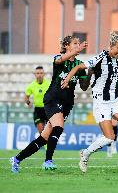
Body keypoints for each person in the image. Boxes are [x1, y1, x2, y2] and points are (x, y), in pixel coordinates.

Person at [61, 32, 118, 173]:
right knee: (109, 138)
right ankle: (85, 154)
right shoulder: (100, 57)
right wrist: (67, 79)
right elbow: (78, 67)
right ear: (111, 46)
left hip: (116, 100)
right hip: (101, 102)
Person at [10, 35, 92, 173]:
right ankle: (48, 161)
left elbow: (84, 87)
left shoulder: (79, 65)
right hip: (53, 98)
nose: (78, 45)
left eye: (79, 43)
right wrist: (77, 50)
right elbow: (61, 59)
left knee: (44, 138)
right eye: (75, 43)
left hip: (67, 103)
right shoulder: (58, 59)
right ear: (66, 46)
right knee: (58, 128)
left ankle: (16, 159)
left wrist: (90, 72)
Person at [25, 66, 50, 134]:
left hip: (48, 109)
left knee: (49, 131)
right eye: (38, 73)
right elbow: (26, 97)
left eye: (41, 73)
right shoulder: (31, 86)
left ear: (44, 74)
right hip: (38, 110)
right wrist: (28, 102)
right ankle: (44, 143)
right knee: (41, 129)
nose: (39, 75)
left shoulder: (49, 84)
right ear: (35, 74)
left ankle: (47, 143)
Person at [107, 79, 118, 157]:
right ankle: (109, 147)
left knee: (114, 124)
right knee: (108, 125)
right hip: (106, 103)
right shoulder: (106, 80)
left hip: (116, 104)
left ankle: (113, 144)